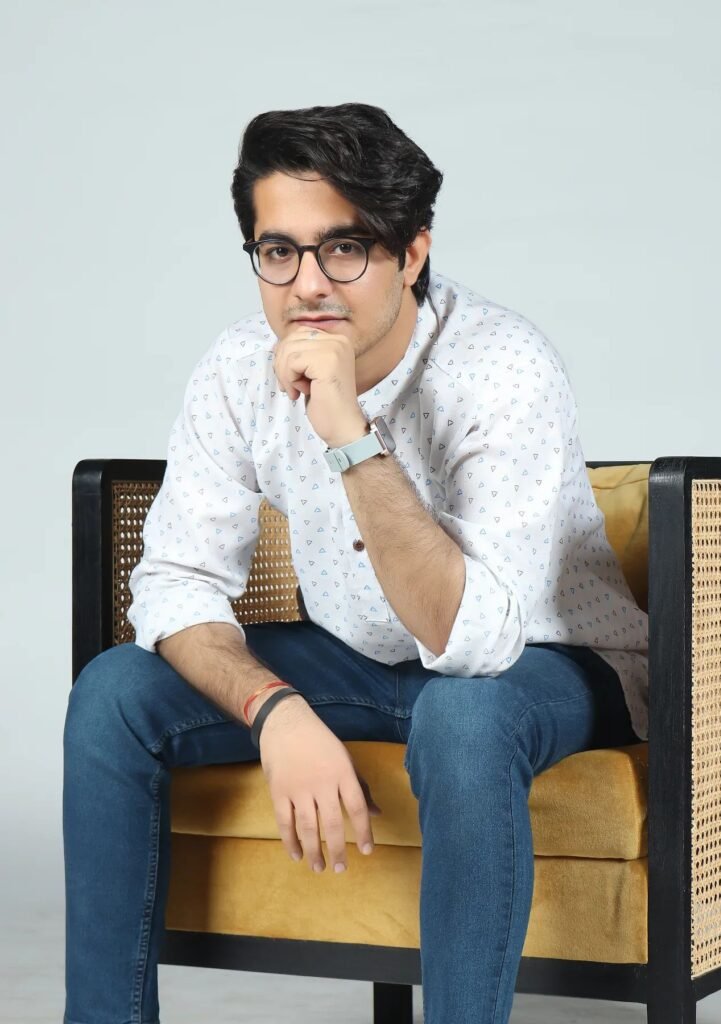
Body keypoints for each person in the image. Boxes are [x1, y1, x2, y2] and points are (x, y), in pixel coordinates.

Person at [63, 101, 649, 1024]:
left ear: (412, 253)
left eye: (344, 249)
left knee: (461, 717)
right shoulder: (237, 368)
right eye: (278, 251)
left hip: (544, 659)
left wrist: (348, 434)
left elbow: (473, 643)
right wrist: (275, 710)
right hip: (360, 658)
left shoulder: (502, 365)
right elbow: (176, 581)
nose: (307, 286)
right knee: (113, 693)